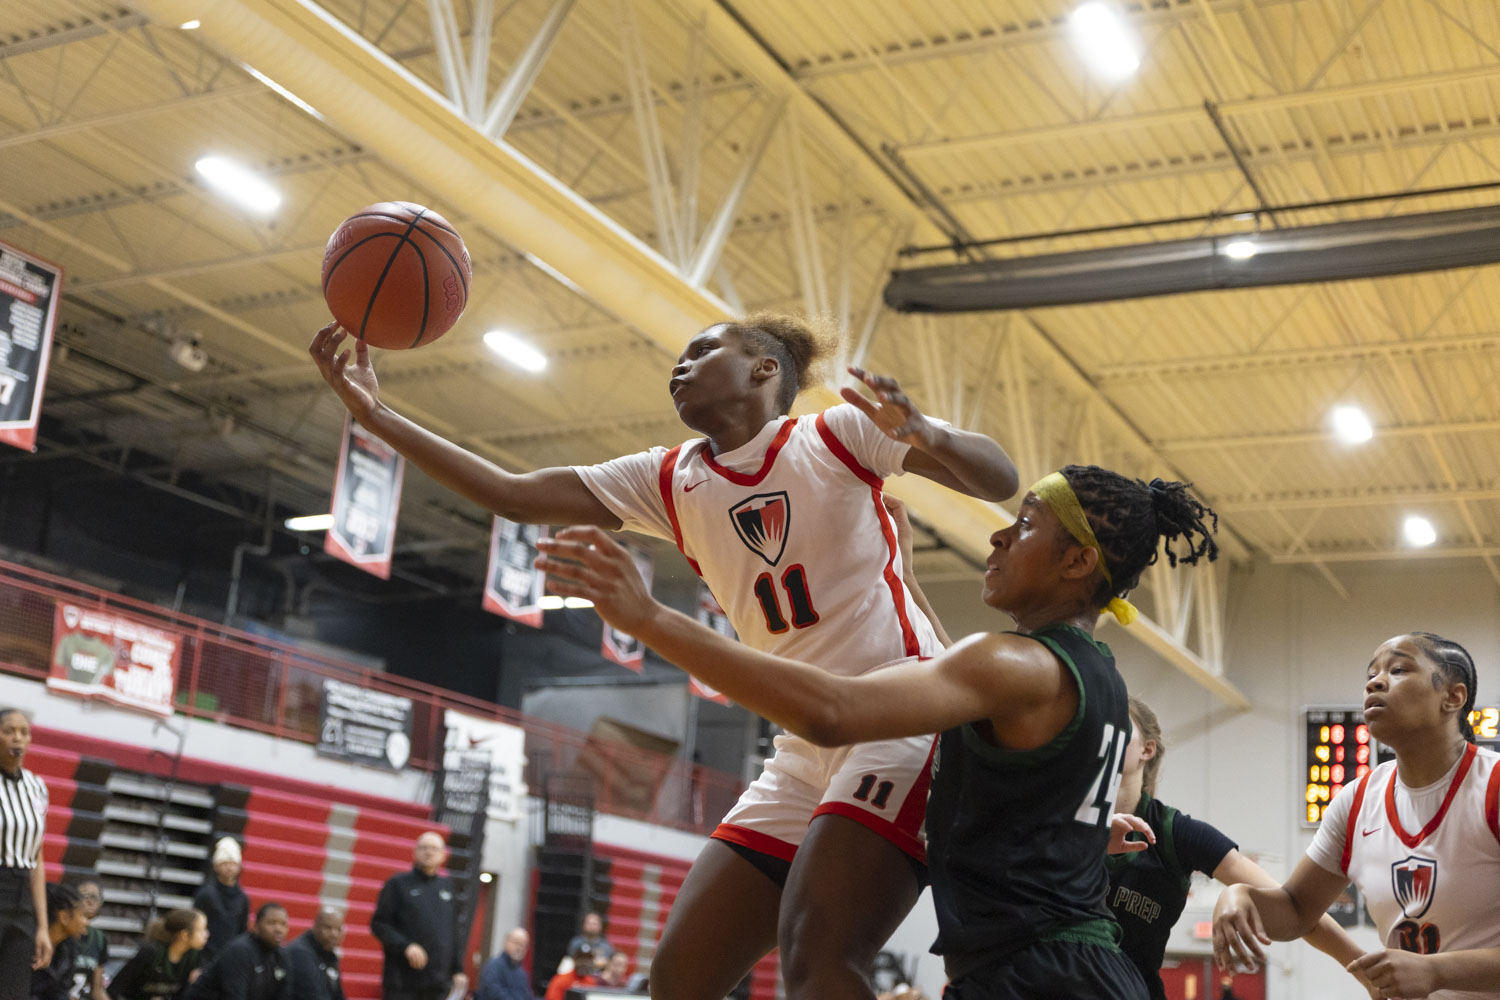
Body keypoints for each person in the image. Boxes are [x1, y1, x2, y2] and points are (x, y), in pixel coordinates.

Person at [311, 312, 1017, 1000]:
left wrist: (929, 435)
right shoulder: (669, 477)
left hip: (901, 718)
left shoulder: (837, 434)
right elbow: (514, 495)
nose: (679, 366)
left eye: (702, 350)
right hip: (803, 747)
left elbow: (998, 479)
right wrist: (375, 415)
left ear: (764, 369)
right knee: (679, 977)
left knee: (820, 956)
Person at [536, 464, 1220, 999]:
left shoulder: (1016, 664)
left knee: (816, 957)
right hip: (1064, 967)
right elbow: (986, 706)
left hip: (1042, 976)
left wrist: (650, 618)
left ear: (1077, 564)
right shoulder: (1095, 675)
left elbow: (831, 711)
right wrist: (908, 580)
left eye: (1026, 524)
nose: (1000, 536)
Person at [1214, 631, 1500, 999]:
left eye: (1398, 669)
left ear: (1453, 697)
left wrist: (1435, 971)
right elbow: (1298, 909)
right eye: (1371, 675)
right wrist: (1241, 897)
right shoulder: (1357, 800)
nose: (1376, 682)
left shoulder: (1492, 786)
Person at [1109, 697, 1371, 1000]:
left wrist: (1366, 970)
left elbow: (1296, 907)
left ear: (1147, 748)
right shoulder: (1061, 822)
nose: (1106, 728)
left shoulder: (1175, 833)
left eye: (1119, 720)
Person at [370, 832, 467, 1000]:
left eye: (435, 849)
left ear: (443, 855)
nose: (429, 852)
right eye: (424, 848)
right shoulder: (397, 884)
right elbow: (379, 924)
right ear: (414, 852)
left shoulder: (448, 887)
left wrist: (458, 970)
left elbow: (453, 932)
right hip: (403, 982)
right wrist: (406, 946)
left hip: (438, 983)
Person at [0, 706, 51, 998]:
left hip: (22, 901)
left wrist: (42, 926)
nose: (17, 738)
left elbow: (37, 857)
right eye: (9, 731)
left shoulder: (36, 787)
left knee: (14, 992)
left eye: (24, 732)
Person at [182, 902, 289, 1000]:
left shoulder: (281, 956)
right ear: (256, 926)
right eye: (272, 923)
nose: (278, 929)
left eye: (283, 924)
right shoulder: (240, 951)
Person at [107, 908, 207, 1000]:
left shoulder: (193, 959)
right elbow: (114, 990)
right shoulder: (151, 953)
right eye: (202, 930)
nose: (207, 934)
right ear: (184, 935)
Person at [191, 840, 247, 963]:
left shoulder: (243, 898)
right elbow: (194, 929)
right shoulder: (205, 894)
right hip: (206, 958)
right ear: (216, 866)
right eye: (224, 863)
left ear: (239, 866)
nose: (229, 867)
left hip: (231, 958)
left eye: (233, 863)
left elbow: (242, 931)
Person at [31, 883, 88, 1000]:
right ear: (64, 917)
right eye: (82, 915)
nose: (86, 922)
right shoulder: (24, 943)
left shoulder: (70, 949)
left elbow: (61, 993)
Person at [284, 907, 344, 1000]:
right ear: (315, 927)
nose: (334, 934)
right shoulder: (300, 953)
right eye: (328, 928)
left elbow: (338, 995)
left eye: (338, 929)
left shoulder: (329, 954)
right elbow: (310, 995)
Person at [68, 880, 108, 1000]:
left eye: (95, 897)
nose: (90, 902)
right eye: (84, 896)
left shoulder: (99, 938)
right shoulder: (65, 933)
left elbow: (97, 990)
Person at [476, 928, 531, 1000]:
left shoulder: (522, 974)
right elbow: (493, 993)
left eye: (523, 945)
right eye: (516, 943)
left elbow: (527, 996)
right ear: (506, 942)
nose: (519, 948)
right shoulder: (493, 966)